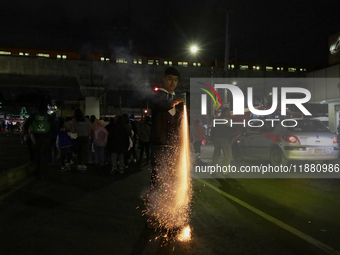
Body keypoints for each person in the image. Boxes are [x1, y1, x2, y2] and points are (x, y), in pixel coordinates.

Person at [147, 66, 184, 229]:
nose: (173, 82)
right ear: (164, 79)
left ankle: (168, 214)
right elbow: (163, 105)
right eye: (170, 79)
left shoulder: (175, 98)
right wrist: (179, 101)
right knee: (158, 180)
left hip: (173, 145)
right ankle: (153, 215)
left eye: (176, 80)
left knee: (171, 180)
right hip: (159, 143)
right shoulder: (157, 96)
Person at [23, 102, 54, 179]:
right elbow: (54, 127)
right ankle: (44, 172)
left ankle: (36, 171)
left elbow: (26, 126)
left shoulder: (33, 116)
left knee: (36, 154)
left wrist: (27, 134)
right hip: (46, 138)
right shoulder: (49, 117)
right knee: (45, 156)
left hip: (35, 137)